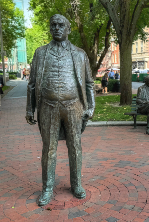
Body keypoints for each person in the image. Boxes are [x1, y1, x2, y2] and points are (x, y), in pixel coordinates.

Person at [26, 14, 95, 206]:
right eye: (53, 25)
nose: (56, 28)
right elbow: (32, 84)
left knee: (75, 146)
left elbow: (89, 83)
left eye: (61, 25)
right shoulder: (40, 53)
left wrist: (91, 106)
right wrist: (30, 109)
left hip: (73, 106)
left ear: (68, 29)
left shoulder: (80, 54)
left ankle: (76, 184)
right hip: (48, 107)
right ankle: (47, 188)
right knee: (49, 149)